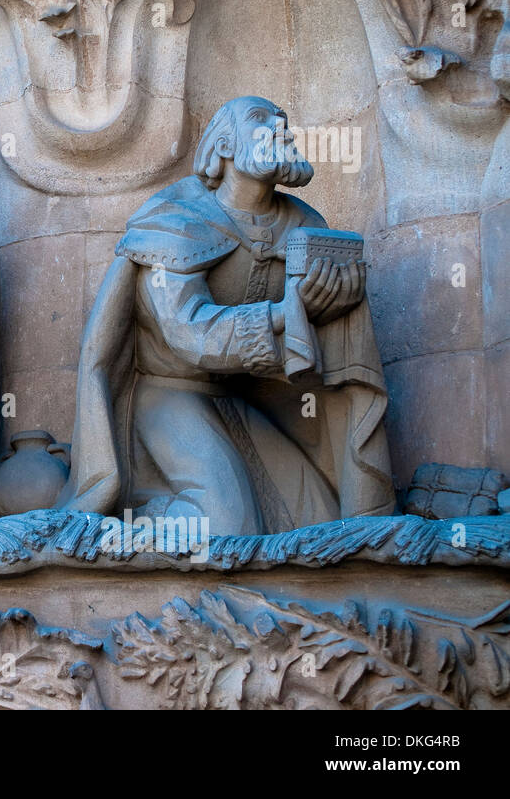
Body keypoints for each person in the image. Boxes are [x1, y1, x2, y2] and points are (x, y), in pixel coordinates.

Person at [58, 95, 395, 535]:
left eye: (283, 120)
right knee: (224, 524)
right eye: (260, 119)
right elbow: (191, 335)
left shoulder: (303, 226)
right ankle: (127, 521)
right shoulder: (174, 220)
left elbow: (319, 344)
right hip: (167, 395)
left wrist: (339, 306)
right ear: (223, 146)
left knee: (321, 518)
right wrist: (292, 311)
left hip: (240, 399)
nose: (279, 127)